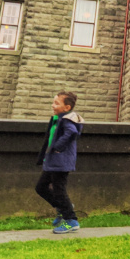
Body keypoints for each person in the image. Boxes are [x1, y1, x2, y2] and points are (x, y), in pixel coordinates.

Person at [35, 91, 85, 233]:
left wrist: (58, 147)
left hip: (61, 162)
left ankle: (71, 221)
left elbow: (72, 133)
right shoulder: (59, 118)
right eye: (53, 102)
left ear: (67, 107)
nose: (53, 105)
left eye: (57, 103)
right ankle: (64, 207)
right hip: (52, 161)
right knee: (41, 187)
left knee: (59, 190)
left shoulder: (67, 119)